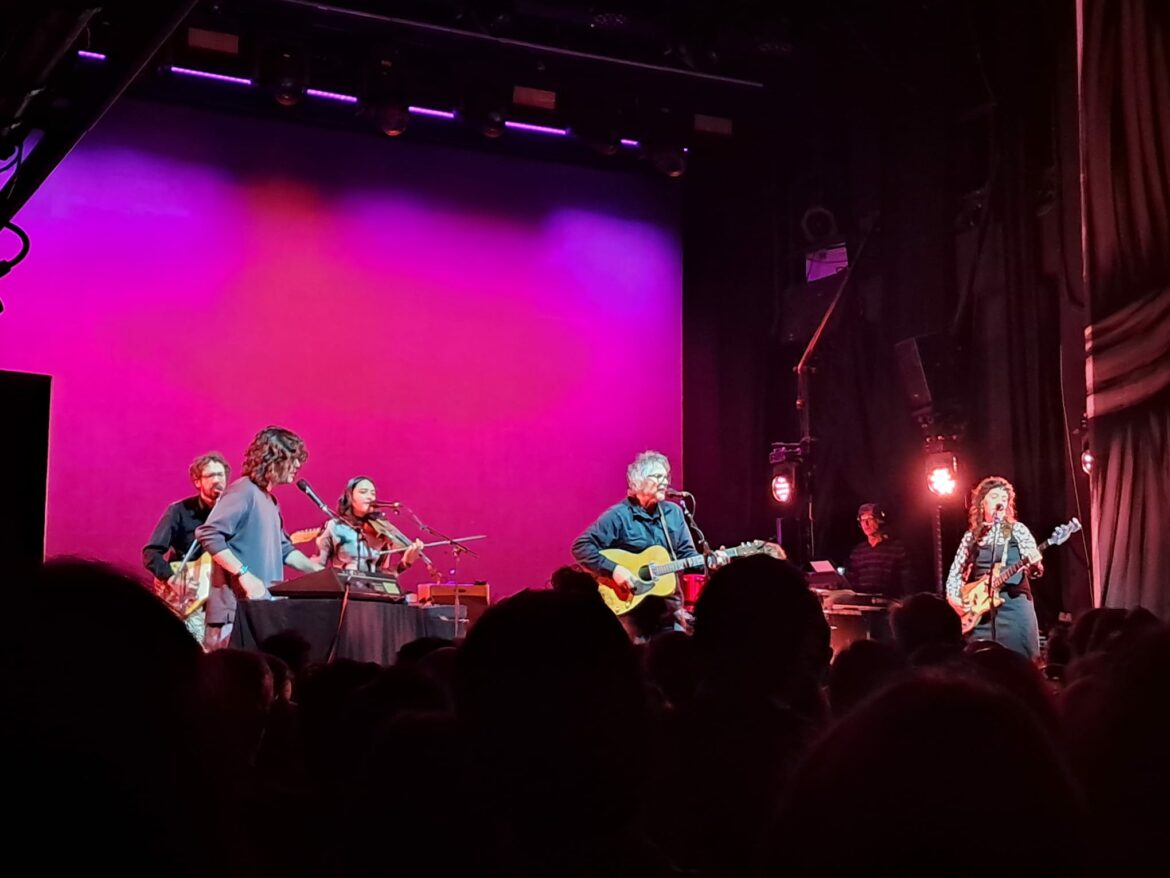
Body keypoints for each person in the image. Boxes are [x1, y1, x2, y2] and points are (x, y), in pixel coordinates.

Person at [195, 427, 323, 650]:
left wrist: (318, 572)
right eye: (292, 460)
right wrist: (244, 574)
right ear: (273, 460)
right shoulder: (243, 491)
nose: (297, 467)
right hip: (234, 612)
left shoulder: (270, 501)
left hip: (260, 609)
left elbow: (284, 548)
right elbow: (209, 534)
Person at [571, 450, 704, 634]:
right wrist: (615, 570)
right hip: (631, 612)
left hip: (669, 610)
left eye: (666, 477)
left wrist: (709, 561)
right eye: (657, 476)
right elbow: (581, 546)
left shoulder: (674, 513)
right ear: (639, 481)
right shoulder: (618, 515)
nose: (665, 482)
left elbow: (687, 555)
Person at [944, 476, 1043, 660]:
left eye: (1005, 499)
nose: (1001, 502)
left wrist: (1035, 565)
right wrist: (956, 600)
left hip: (1013, 607)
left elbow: (1033, 562)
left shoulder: (1015, 529)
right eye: (995, 496)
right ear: (982, 503)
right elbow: (955, 573)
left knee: (1019, 662)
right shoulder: (971, 537)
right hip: (980, 612)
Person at [314, 476, 425, 590]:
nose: (370, 497)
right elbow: (316, 568)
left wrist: (404, 564)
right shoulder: (334, 526)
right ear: (350, 496)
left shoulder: (381, 529)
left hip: (376, 595)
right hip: (345, 594)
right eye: (363, 492)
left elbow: (383, 577)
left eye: (373, 493)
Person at [142, 451, 229, 588]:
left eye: (220, 474)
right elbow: (151, 553)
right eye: (211, 475)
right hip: (187, 590)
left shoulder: (233, 512)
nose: (217, 480)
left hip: (220, 591)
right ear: (197, 481)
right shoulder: (178, 511)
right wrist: (169, 577)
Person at [844, 502, 912, 598]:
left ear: (880, 520)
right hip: (862, 601)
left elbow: (907, 582)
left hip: (888, 603)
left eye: (870, 519)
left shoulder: (897, 548)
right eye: (862, 520)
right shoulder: (858, 551)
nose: (865, 524)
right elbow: (850, 581)